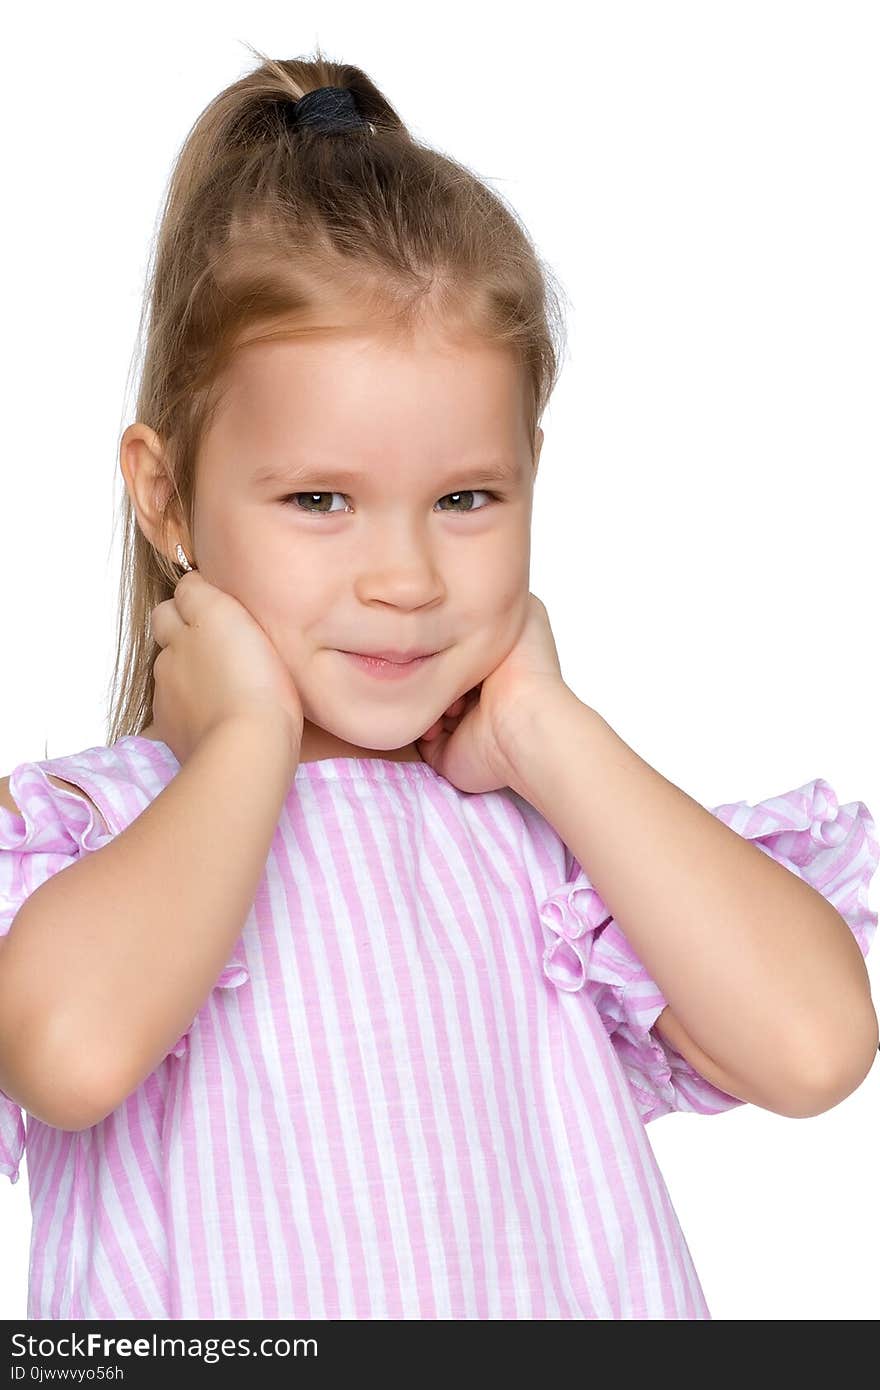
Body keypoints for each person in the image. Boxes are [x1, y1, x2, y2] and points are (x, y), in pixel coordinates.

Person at [0, 45, 877, 1322]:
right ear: (166, 495)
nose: (405, 575)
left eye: (466, 498)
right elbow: (68, 1056)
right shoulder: (97, 836)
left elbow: (815, 1046)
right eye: (319, 500)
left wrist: (541, 724)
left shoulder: (542, 841)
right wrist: (245, 739)